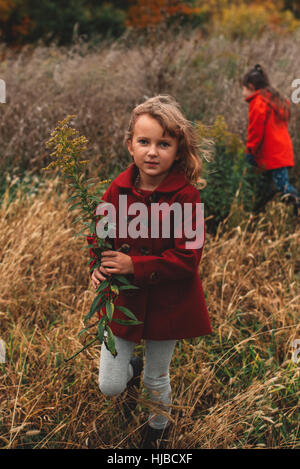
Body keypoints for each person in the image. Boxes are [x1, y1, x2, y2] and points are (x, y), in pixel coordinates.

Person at [87, 95, 212, 449]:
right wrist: (97, 263)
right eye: (144, 142)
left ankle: (156, 434)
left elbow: (188, 257)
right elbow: (99, 232)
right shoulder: (117, 188)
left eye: (164, 143)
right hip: (124, 298)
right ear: (130, 145)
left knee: (158, 378)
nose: (152, 151)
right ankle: (131, 371)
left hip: (168, 302)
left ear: (178, 150)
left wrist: (135, 265)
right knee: (110, 384)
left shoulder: (186, 197)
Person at [242, 64, 300, 214]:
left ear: (250, 86)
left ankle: (296, 210)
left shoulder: (258, 102)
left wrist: (250, 151)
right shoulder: (275, 99)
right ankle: (258, 214)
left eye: (243, 88)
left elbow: (256, 131)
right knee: (264, 187)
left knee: (283, 187)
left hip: (272, 154)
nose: (243, 92)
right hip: (280, 152)